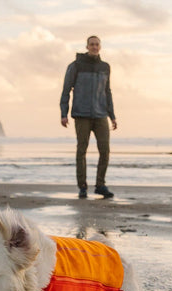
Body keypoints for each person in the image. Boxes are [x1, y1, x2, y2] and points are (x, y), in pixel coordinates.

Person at [60, 35, 117, 199]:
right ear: (87, 47)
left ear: (100, 47)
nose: (94, 47)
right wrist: (64, 113)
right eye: (91, 44)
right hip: (81, 114)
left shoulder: (105, 67)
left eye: (97, 44)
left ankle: (100, 185)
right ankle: (82, 187)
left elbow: (107, 92)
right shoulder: (76, 66)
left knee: (105, 151)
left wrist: (112, 116)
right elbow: (66, 89)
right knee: (81, 150)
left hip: (101, 114)